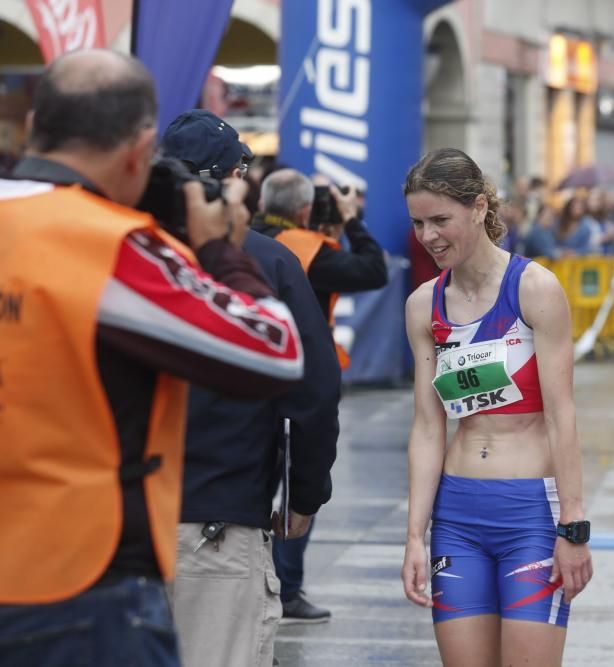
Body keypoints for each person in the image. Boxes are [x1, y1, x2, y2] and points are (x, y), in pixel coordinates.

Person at [0, 50, 304, 666]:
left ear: (33, 128)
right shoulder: (111, 247)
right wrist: (222, 252)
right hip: (76, 584)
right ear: (141, 150)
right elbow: (274, 350)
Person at [161, 111, 341, 666]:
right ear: (226, 177)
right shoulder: (267, 261)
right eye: (243, 167)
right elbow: (313, 389)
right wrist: (304, 494)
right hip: (218, 515)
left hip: (113, 522)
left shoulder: (124, 247)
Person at [400, 148, 593, 666]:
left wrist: (573, 527)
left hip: (530, 513)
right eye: (419, 223)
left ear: (479, 207)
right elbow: (426, 426)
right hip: (457, 513)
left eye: (440, 220)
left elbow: (562, 414)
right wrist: (414, 536)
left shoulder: (534, 288)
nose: (428, 236)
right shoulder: (424, 303)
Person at [252, 168, 388, 623]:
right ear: (306, 210)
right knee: (298, 489)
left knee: (253, 487)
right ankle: (287, 588)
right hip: (300, 382)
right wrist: (350, 221)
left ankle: (251, 582)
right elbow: (373, 270)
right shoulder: (310, 251)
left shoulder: (244, 240)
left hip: (247, 383)